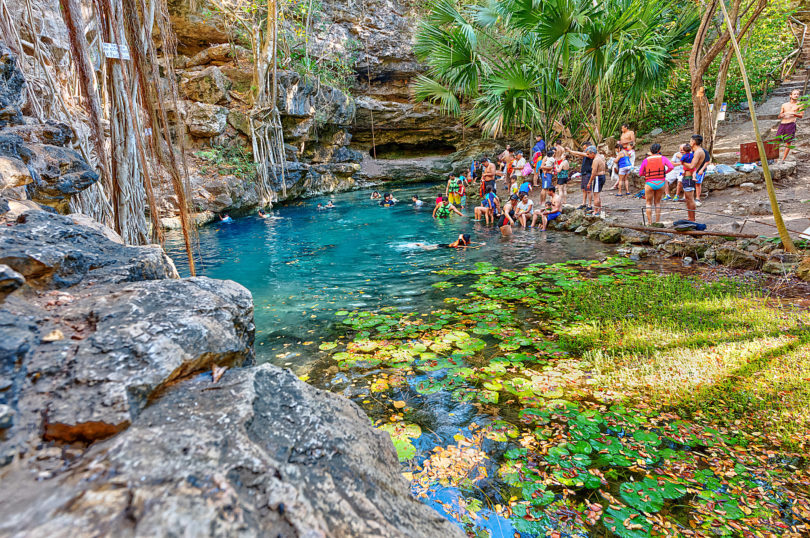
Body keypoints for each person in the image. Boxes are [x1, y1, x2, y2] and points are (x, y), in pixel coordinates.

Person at [639, 143, 674, 224]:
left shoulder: (646, 160)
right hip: (661, 183)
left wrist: (647, 174)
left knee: (648, 203)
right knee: (657, 203)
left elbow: (640, 173)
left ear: (651, 151)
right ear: (659, 150)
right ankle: (657, 222)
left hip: (649, 183)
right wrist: (664, 172)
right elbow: (671, 167)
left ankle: (650, 222)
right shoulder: (663, 158)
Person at [682, 134, 705, 221]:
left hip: (689, 178)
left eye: (691, 141)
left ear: (694, 142)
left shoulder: (698, 152)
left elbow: (691, 166)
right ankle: (690, 217)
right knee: (688, 199)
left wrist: (682, 162)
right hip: (688, 177)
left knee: (690, 199)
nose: (689, 142)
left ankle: (692, 218)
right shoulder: (696, 151)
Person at [778, 88, 804, 161]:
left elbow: (801, 116)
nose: (796, 95)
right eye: (794, 94)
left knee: (788, 143)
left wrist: (793, 113)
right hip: (782, 124)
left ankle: (783, 159)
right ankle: (775, 159)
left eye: (797, 94)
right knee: (777, 141)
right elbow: (779, 115)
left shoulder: (800, 104)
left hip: (791, 124)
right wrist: (782, 115)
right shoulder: (784, 105)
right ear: (790, 95)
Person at [567, 142, 594, 211]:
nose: (584, 149)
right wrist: (570, 152)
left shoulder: (590, 154)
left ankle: (590, 205)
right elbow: (578, 155)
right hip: (584, 174)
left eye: (585, 148)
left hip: (588, 173)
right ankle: (584, 203)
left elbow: (579, 153)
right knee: (584, 189)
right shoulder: (586, 154)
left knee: (588, 190)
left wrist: (570, 150)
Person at [586, 146, 607, 216]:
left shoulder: (596, 160)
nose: (588, 156)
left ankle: (596, 211)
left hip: (598, 177)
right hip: (603, 176)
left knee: (596, 195)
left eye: (588, 154)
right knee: (598, 193)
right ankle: (599, 208)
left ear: (592, 153)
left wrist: (589, 182)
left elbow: (593, 172)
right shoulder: (601, 157)